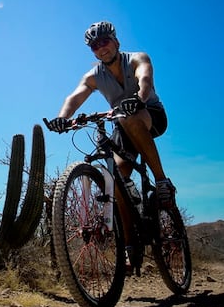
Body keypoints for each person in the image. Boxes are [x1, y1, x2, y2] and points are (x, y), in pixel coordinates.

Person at [48, 20, 176, 211]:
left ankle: (161, 181)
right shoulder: (94, 76)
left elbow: (145, 79)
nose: (101, 48)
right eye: (95, 46)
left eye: (104, 41)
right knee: (115, 178)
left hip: (150, 114)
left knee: (129, 117)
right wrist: (62, 118)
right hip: (123, 125)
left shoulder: (136, 58)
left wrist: (139, 98)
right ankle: (130, 229)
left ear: (116, 41)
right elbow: (74, 98)